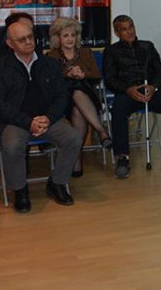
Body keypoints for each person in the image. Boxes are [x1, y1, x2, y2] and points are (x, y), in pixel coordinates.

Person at [0, 21, 82, 212]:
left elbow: (62, 96)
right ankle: (20, 190)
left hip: (47, 119)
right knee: (12, 145)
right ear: (10, 44)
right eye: (22, 39)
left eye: (30, 37)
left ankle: (57, 183)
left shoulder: (49, 63)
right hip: (14, 122)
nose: (28, 42)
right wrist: (28, 122)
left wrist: (48, 118)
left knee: (73, 138)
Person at [103, 15, 161, 179]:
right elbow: (110, 79)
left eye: (131, 27)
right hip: (127, 93)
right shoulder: (111, 51)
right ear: (117, 33)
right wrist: (128, 89)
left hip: (150, 92)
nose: (130, 31)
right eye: (124, 29)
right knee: (118, 109)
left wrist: (153, 87)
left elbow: (160, 74)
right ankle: (123, 157)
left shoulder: (148, 46)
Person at [46, 17, 112, 177]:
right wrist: (67, 74)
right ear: (57, 38)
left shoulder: (85, 53)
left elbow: (97, 75)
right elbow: (49, 80)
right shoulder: (51, 56)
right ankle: (101, 131)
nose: (70, 39)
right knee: (76, 109)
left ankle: (76, 159)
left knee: (78, 97)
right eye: (65, 35)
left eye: (73, 35)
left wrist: (83, 74)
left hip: (87, 96)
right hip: (63, 100)